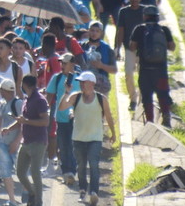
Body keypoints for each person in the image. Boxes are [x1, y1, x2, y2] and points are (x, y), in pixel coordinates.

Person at [57, 72, 115, 205]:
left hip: (95, 138)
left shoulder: (101, 99)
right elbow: (61, 108)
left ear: (92, 83)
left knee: (94, 164)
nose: (82, 84)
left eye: (84, 82)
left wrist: (113, 133)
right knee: (81, 166)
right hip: (78, 138)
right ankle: (82, 189)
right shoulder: (75, 97)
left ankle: (94, 192)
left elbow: (109, 116)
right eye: (81, 82)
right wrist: (66, 92)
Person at [128, 5, 174, 126]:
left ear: (145, 16)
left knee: (147, 96)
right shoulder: (164, 30)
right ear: (157, 17)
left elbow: (132, 47)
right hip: (161, 69)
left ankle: (150, 122)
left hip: (145, 69)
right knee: (163, 94)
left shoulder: (139, 29)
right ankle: (166, 115)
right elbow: (172, 47)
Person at [11, 74, 49, 206]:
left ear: (25, 85)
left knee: (35, 173)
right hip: (26, 141)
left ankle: (38, 202)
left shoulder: (40, 100)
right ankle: (32, 193)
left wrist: (26, 121)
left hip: (38, 142)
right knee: (20, 172)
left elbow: (45, 121)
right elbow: (22, 120)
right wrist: (8, 129)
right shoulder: (27, 100)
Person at [45, 53, 78, 185]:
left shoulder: (80, 79)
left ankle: (71, 171)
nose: (62, 65)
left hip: (76, 118)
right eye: (61, 63)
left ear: (72, 64)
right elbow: (49, 96)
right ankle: (66, 172)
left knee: (73, 145)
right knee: (63, 146)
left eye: (65, 63)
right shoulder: (57, 78)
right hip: (61, 118)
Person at [0, 79, 24, 205]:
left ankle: (28, 193)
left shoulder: (18, 103)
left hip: (16, 144)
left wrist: (16, 141)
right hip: (4, 144)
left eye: (1, 89)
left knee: (22, 172)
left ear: (5, 91)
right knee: (5, 173)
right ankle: (12, 200)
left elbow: (23, 124)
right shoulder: (3, 104)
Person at [114, 0, 144, 111]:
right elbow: (120, 30)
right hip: (129, 48)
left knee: (143, 76)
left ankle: (143, 100)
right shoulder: (124, 12)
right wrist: (117, 48)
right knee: (128, 74)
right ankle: (133, 99)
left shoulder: (145, 11)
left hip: (143, 49)